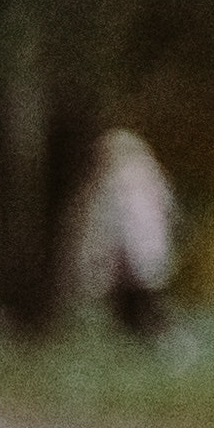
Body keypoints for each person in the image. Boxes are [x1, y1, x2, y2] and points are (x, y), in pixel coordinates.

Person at [71, 128, 177, 341]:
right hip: (142, 252)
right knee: (140, 302)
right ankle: (148, 340)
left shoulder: (119, 180)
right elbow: (168, 209)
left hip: (131, 251)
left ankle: (153, 340)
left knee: (138, 304)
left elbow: (114, 220)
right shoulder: (150, 174)